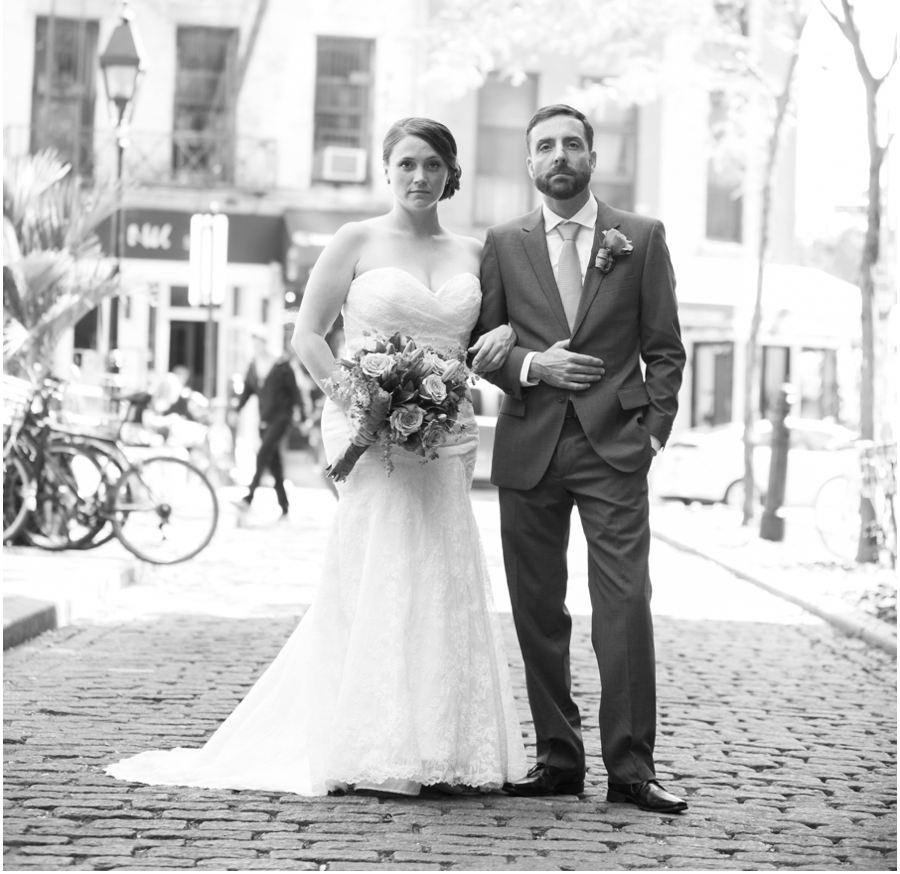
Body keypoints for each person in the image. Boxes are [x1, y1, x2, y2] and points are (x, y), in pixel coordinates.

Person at [106, 117, 527, 796]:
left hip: (447, 432)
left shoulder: (478, 253)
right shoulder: (354, 239)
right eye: (407, 163)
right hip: (366, 426)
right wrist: (364, 405)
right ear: (385, 168)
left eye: (433, 164)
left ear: (452, 173)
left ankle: (447, 741)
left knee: (443, 564)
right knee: (382, 563)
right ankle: (375, 737)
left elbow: (485, 341)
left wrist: (502, 336)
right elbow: (308, 336)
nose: (420, 175)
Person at [475, 103, 688, 814]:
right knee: (538, 608)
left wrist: (652, 432)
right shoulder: (503, 242)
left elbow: (664, 348)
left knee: (625, 601)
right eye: (545, 145)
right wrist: (534, 365)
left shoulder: (642, 236)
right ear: (529, 162)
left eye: (572, 143)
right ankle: (558, 758)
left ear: (593, 157)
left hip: (613, 448)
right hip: (529, 443)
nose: (559, 154)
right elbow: (483, 348)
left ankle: (632, 768)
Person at [235, 330, 302, 518]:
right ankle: (284, 506)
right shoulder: (253, 365)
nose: (256, 348)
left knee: (263, 453)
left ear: (265, 343)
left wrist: (301, 414)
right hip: (263, 419)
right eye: (253, 345)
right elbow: (247, 391)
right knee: (274, 463)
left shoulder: (281, 364)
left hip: (281, 418)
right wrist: (236, 410)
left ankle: (248, 498)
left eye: (259, 344)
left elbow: (294, 391)